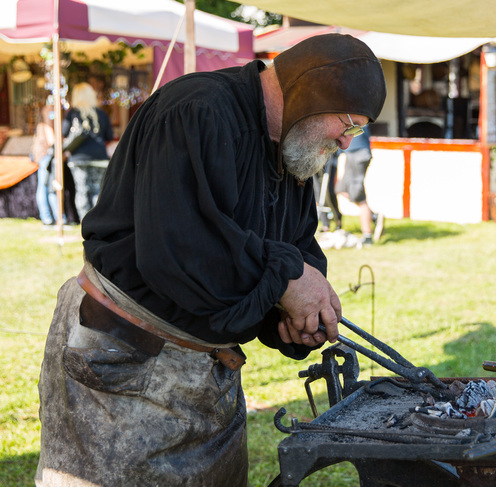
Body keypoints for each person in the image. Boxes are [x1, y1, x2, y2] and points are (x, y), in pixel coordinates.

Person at [35, 33, 387, 487]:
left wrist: (288, 314)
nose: (346, 143)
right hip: (121, 365)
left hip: (206, 378)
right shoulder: (196, 109)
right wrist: (284, 279)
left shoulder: (294, 149)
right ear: (310, 92)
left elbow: (295, 247)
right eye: (349, 124)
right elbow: (180, 251)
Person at [62, 82, 114, 220]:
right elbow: (109, 136)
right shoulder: (101, 114)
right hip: (99, 157)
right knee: (98, 191)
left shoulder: (72, 114)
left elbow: (64, 132)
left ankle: (85, 224)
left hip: (79, 158)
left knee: (82, 191)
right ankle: (97, 223)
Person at [335, 125, 385, 245]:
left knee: (358, 196)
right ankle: (373, 216)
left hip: (358, 153)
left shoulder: (355, 112)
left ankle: (367, 236)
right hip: (351, 153)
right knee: (341, 189)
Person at [31, 105, 58, 226]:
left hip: (43, 157)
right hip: (46, 157)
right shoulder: (46, 126)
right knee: (46, 186)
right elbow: (52, 141)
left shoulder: (41, 126)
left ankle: (48, 217)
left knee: (44, 186)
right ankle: (47, 217)